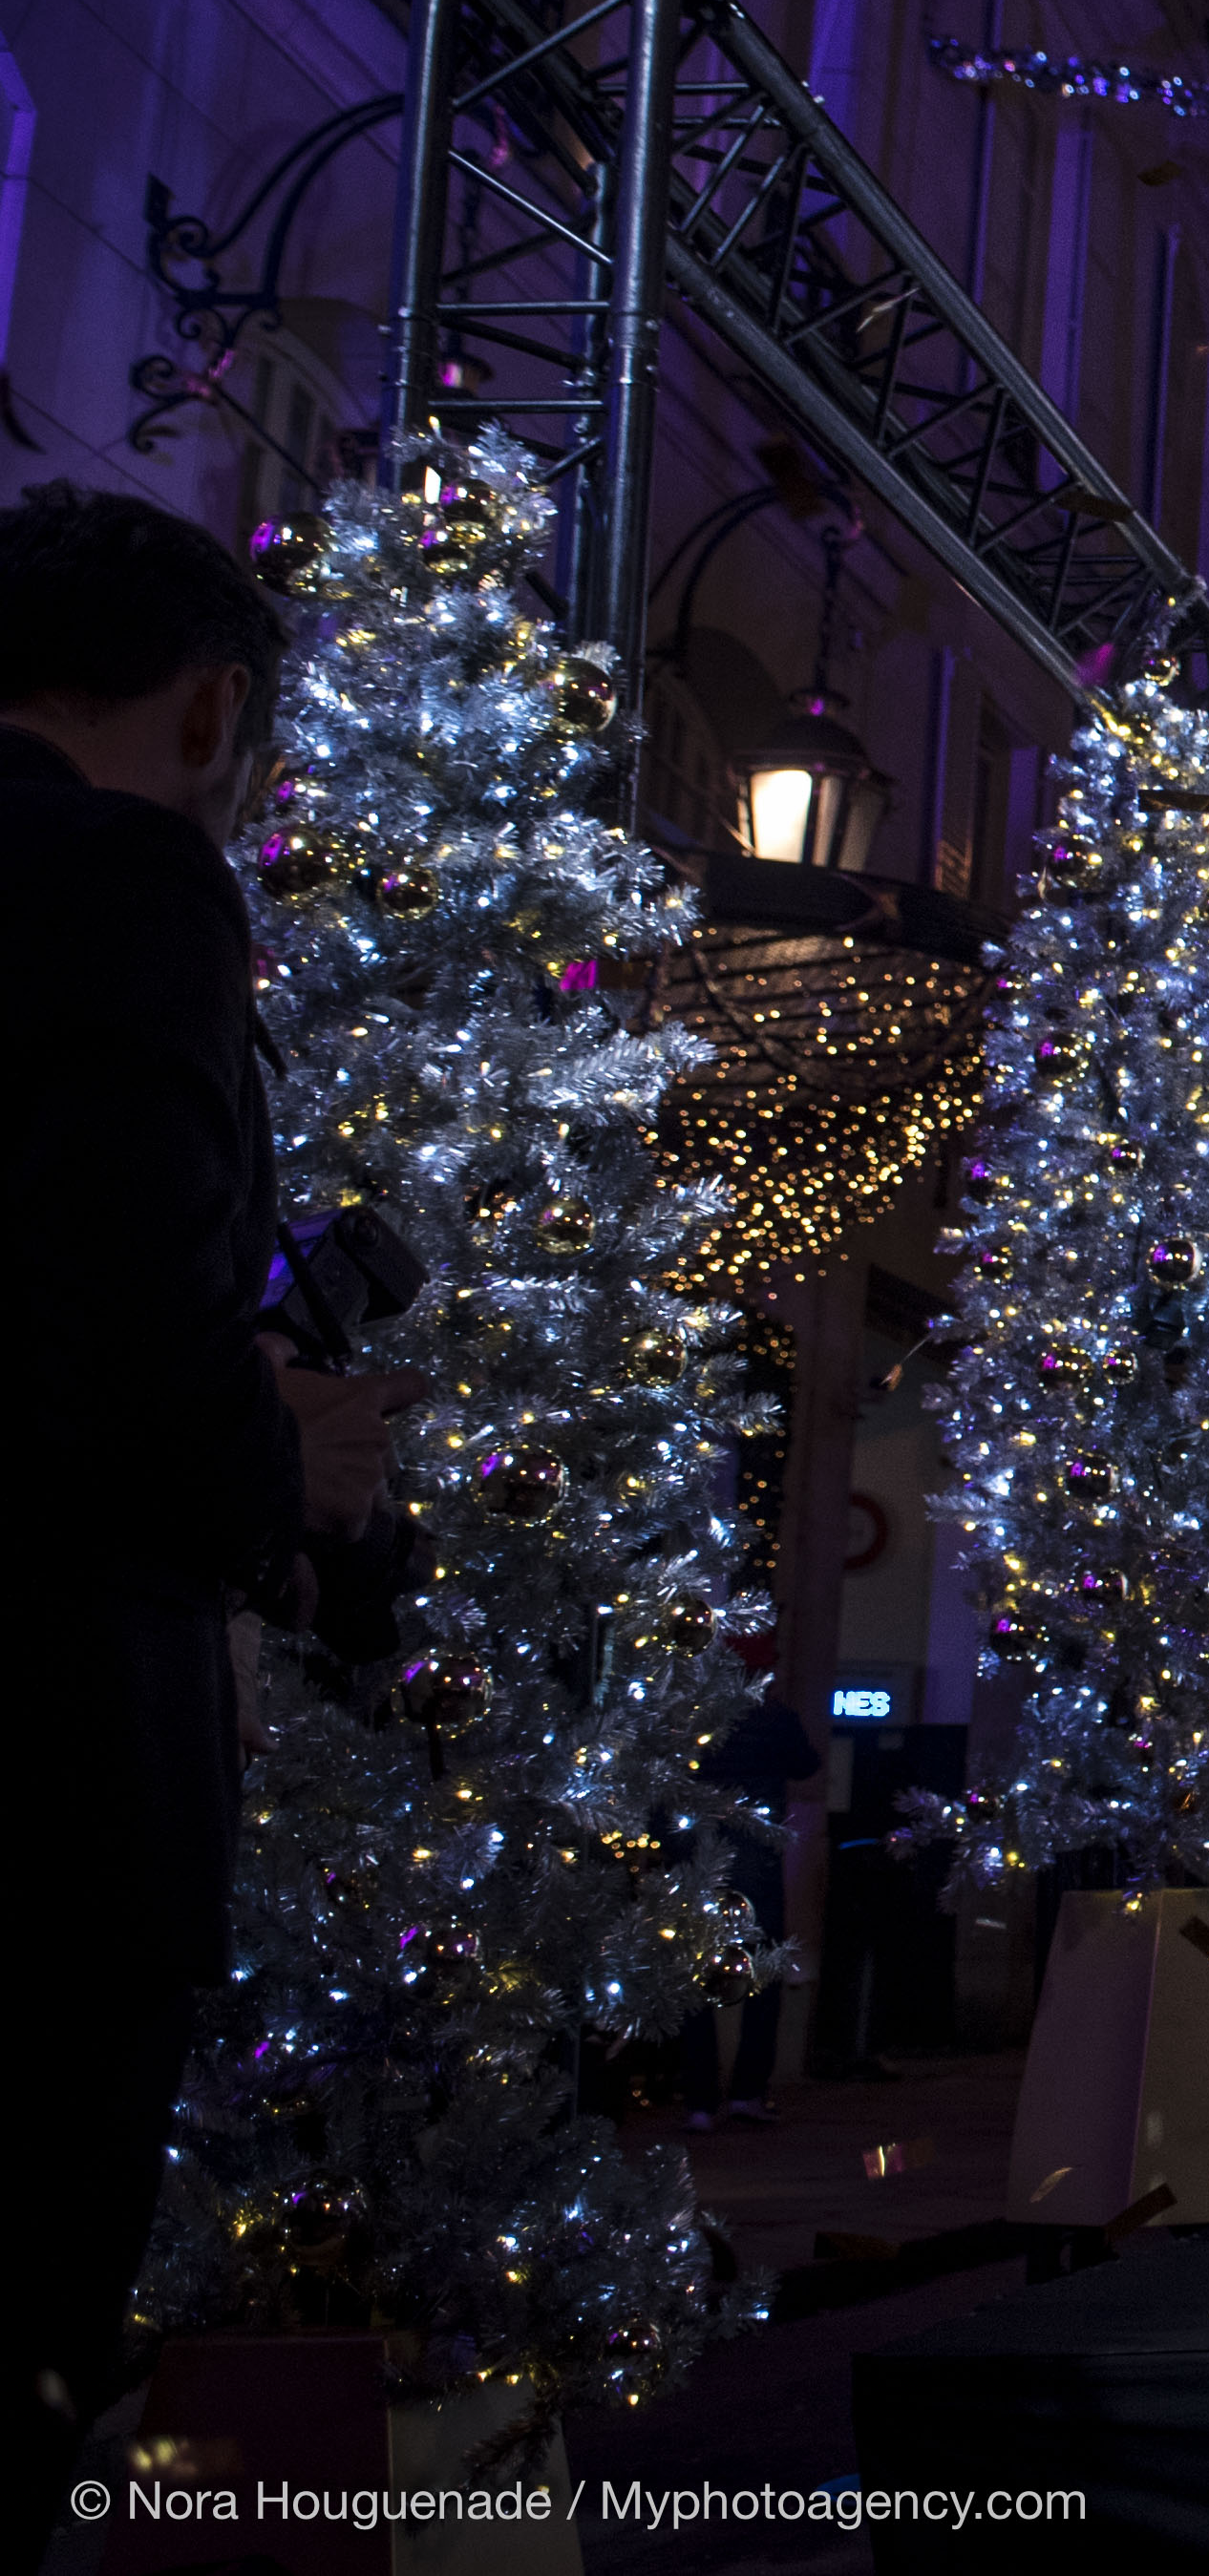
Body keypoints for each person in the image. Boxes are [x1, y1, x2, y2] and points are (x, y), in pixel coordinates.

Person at [1, 486, 413, 2520]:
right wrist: (285, 1465)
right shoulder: (125, 879)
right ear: (210, 710)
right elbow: (128, 1308)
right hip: (57, 1738)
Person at [679, 1677, 829, 2128]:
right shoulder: (774, 1716)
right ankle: (748, 2091)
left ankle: (699, 2100)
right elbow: (806, 1765)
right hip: (757, 1856)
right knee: (762, 1971)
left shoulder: (695, 1715)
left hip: (699, 1854)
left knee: (695, 1973)